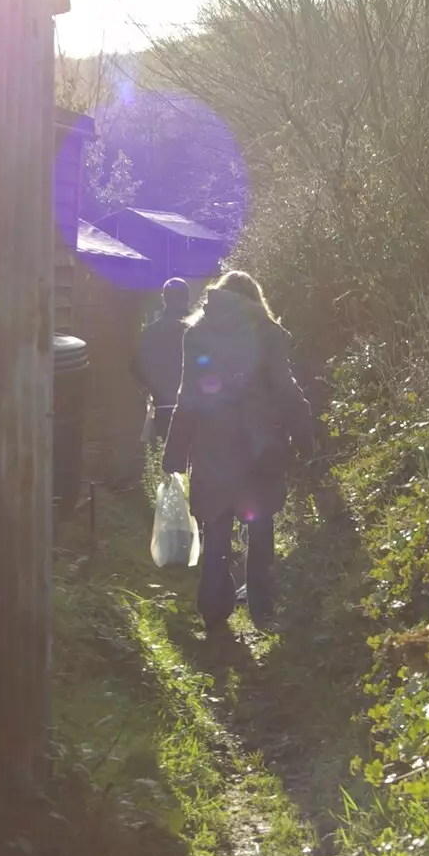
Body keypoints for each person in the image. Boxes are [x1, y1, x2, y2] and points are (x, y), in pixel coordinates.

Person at [163, 270, 313, 632]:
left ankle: (214, 609)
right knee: (259, 527)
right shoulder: (268, 333)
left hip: (212, 447)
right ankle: (263, 612)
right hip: (259, 448)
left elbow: (188, 396)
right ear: (254, 300)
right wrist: (307, 439)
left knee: (216, 525)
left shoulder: (197, 334)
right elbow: (285, 391)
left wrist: (175, 454)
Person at [131, 278, 190, 441]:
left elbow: (135, 366)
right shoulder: (194, 331)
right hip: (190, 407)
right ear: (187, 299)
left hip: (160, 405)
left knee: (161, 456)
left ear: (164, 298)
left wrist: (150, 388)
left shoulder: (150, 332)